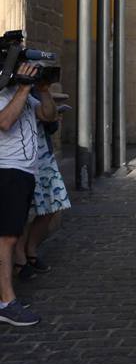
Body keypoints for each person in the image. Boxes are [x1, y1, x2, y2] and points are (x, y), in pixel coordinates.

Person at [0, 63, 57, 327]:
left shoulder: (22, 92)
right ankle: (6, 301)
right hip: (6, 170)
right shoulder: (6, 92)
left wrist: (44, 90)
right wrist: (23, 88)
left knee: (11, 234)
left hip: (24, 171)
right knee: (7, 238)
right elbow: (5, 121)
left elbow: (47, 115)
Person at [14, 88, 70, 280]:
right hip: (17, 156)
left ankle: (31, 250)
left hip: (42, 153)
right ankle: (20, 258)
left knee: (52, 203)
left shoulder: (37, 90)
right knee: (20, 211)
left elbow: (51, 125)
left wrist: (45, 91)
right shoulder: (9, 87)